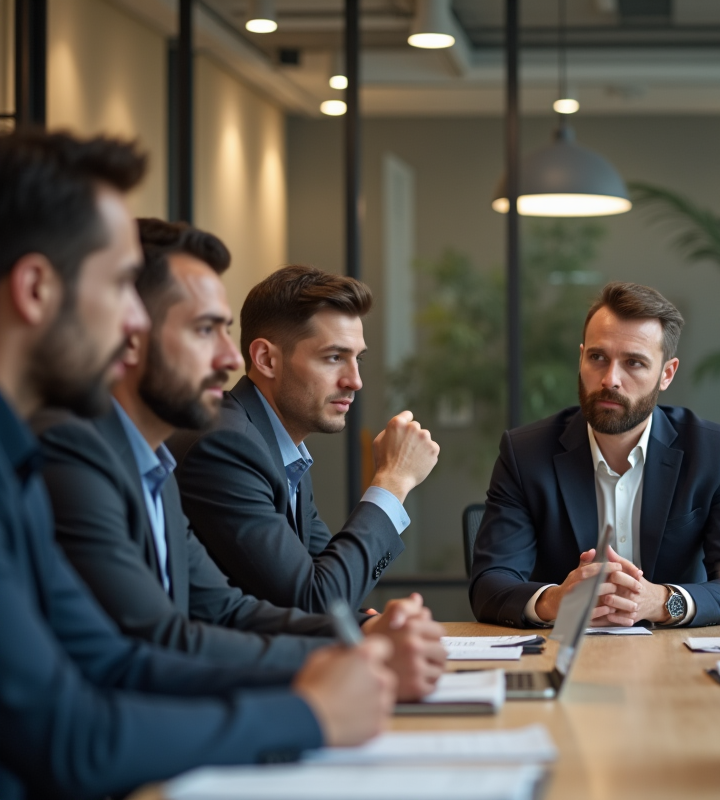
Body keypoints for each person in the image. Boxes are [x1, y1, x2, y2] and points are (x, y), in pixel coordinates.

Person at [0, 130, 393, 800]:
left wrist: (351, 653)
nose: (134, 323)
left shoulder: (25, 462)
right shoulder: (62, 454)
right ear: (37, 289)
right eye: (124, 285)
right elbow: (74, 732)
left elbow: (114, 654)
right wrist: (312, 710)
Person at [34, 218, 445, 694]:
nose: (230, 360)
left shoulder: (161, 465)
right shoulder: (211, 445)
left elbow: (228, 609)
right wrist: (392, 481)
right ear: (128, 333)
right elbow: (171, 639)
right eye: (205, 330)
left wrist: (364, 636)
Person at [469, 281, 720, 628]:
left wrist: (661, 602)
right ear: (580, 357)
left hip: (675, 662)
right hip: (562, 658)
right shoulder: (525, 454)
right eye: (598, 357)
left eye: (634, 363)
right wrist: (556, 601)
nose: (610, 379)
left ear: (666, 374)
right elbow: (489, 586)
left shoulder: (713, 453)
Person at [171, 265, 439, 612]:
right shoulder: (226, 446)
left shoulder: (282, 448)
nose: (354, 381)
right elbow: (316, 600)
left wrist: (363, 624)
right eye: (333, 358)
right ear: (266, 359)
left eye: (357, 359)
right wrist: (393, 481)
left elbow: (325, 587)